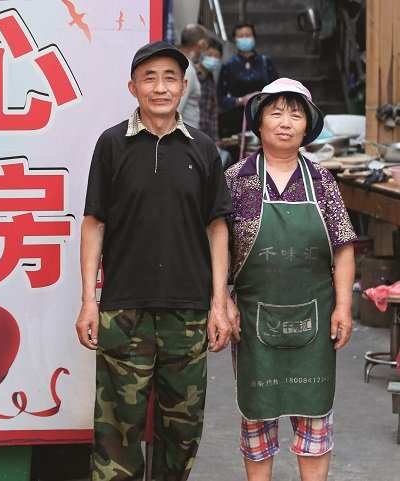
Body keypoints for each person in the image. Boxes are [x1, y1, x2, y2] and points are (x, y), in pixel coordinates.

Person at [75, 40, 234, 481]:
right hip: (124, 308)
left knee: (181, 431)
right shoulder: (111, 145)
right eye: (149, 78)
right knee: (116, 431)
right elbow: (94, 223)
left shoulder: (203, 149)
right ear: (132, 87)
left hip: (188, 311)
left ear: (183, 86)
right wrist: (90, 300)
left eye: (169, 78)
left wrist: (219, 303)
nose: (160, 87)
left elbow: (217, 227)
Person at [224, 78, 356, 481]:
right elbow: (215, 249)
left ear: (307, 126)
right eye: (276, 113)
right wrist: (223, 300)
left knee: (314, 418)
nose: (285, 122)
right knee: (257, 419)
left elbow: (343, 246)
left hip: (316, 318)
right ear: (259, 122)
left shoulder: (322, 181)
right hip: (252, 316)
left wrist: (345, 308)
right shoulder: (235, 180)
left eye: (295, 114)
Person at [217, 21, 279, 139]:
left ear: (254, 37)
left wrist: (262, 96)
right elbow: (220, 98)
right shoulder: (228, 66)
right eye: (240, 36)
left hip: (263, 118)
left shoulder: (265, 62)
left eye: (248, 35)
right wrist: (240, 100)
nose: (244, 39)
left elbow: (278, 91)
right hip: (236, 121)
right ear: (235, 39)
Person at [177, 23, 208, 128]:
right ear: (201, 43)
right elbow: (177, 107)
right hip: (183, 137)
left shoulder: (181, 64)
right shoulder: (187, 69)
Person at [196, 37, 223, 142]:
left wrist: (215, 139)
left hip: (204, 135)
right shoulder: (190, 73)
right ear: (202, 55)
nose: (213, 59)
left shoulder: (211, 81)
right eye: (210, 55)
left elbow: (213, 112)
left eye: (216, 56)